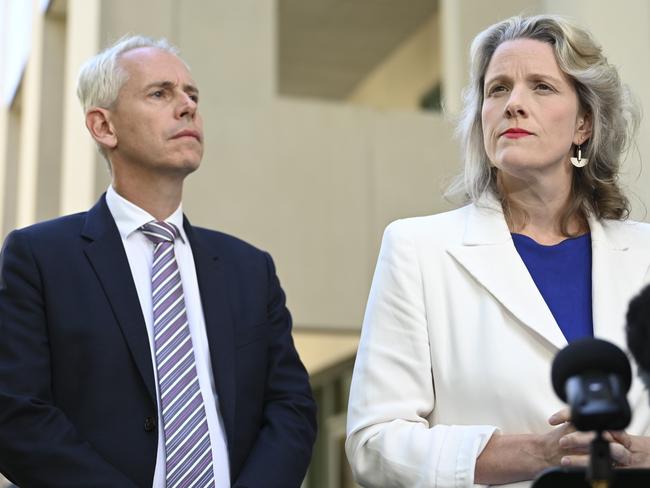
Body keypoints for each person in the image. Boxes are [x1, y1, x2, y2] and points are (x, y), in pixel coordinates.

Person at [346, 14, 650, 488]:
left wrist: (639, 455)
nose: (514, 104)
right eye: (498, 89)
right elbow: (374, 444)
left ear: (584, 124)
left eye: (542, 87)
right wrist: (537, 453)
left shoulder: (646, 253)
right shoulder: (417, 249)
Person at [0, 35, 317, 488]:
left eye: (192, 95)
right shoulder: (38, 258)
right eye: (160, 93)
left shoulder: (250, 269)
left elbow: (291, 408)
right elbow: (16, 414)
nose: (187, 106)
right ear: (103, 127)